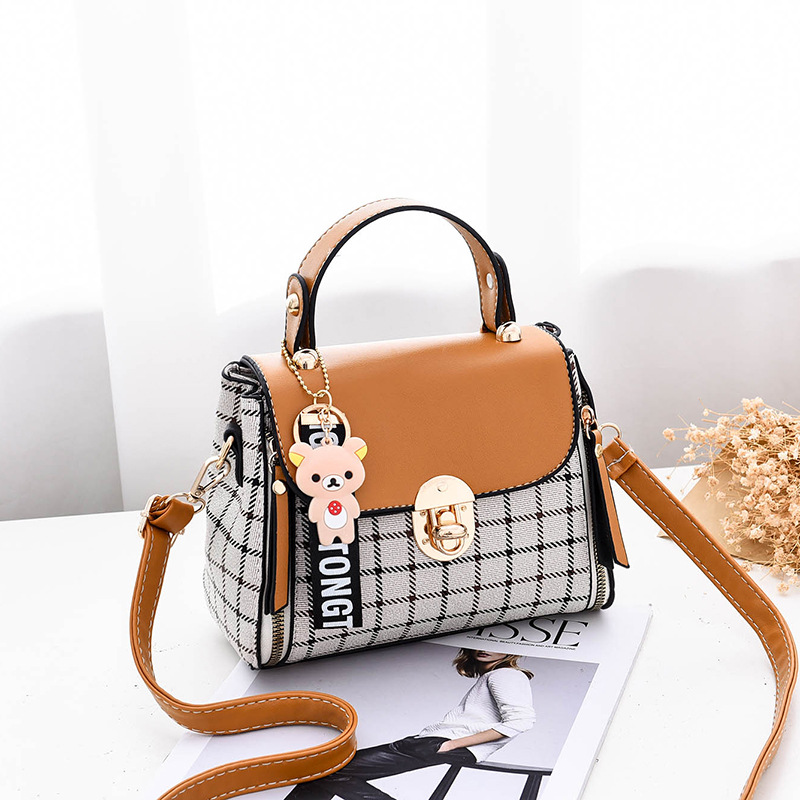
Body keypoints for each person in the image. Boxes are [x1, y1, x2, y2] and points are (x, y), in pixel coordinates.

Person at [288, 649, 535, 800]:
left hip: (442, 743)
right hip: (433, 742)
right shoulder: (495, 676)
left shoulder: (507, 675)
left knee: (326, 771)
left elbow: (521, 721)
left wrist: (452, 744)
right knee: (325, 774)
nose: (485, 648)